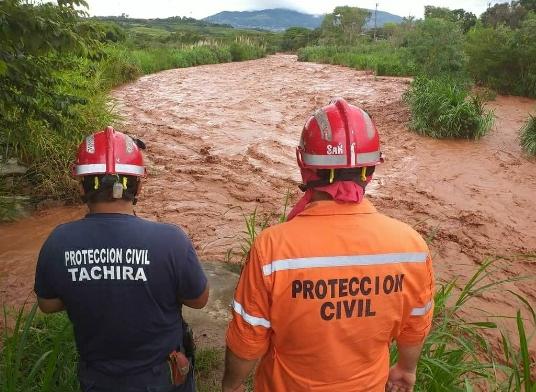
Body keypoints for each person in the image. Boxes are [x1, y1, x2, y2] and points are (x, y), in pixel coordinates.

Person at [222, 98, 435, 392]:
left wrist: (230, 386)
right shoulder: (411, 247)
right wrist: (406, 370)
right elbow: (415, 324)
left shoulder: (272, 249)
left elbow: (248, 341)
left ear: (303, 164)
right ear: (370, 169)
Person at [34, 126, 209, 392]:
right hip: (162, 378)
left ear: (82, 182)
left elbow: (48, 304)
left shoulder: (59, 241)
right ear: (139, 182)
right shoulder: (171, 240)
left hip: (98, 379)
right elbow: (199, 299)